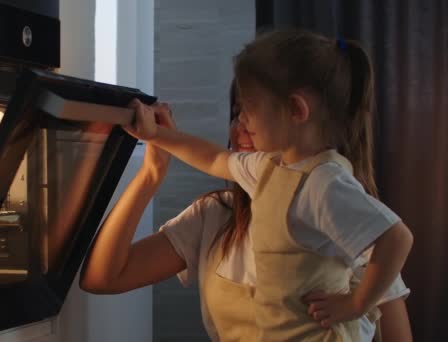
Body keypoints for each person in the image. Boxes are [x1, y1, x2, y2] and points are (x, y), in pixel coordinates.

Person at [121, 29, 413, 341]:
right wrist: (155, 136)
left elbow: (397, 237)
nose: (241, 121)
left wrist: (356, 303)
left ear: (296, 110)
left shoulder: (324, 183)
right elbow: (214, 158)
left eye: (248, 108)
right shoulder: (268, 170)